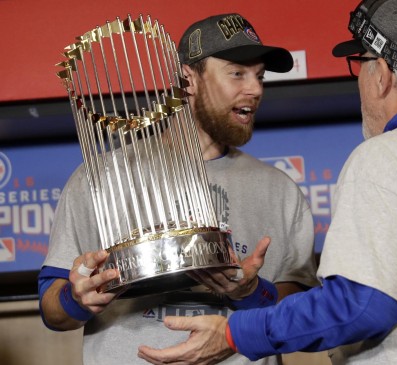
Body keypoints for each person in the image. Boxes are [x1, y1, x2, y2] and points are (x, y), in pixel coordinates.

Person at [137, 0, 397, 364]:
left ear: (383, 73)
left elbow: (364, 306)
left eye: (361, 64)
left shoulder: (390, 156)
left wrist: (234, 333)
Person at [38, 13, 319, 365]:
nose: (256, 89)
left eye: (260, 76)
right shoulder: (99, 177)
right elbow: (52, 310)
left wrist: (251, 292)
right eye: (237, 73)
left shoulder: (280, 190)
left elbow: (301, 313)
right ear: (189, 79)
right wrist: (75, 299)